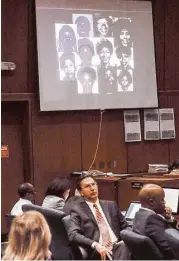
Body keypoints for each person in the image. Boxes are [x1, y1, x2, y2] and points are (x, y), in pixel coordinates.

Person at [68, 173, 131, 260]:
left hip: (117, 246)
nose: (92, 188)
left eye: (93, 184)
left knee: (126, 246)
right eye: (87, 186)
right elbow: (73, 234)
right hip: (98, 251)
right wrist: (95, 244)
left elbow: (126, 226)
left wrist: (126, 239)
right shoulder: (77, 210)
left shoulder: (110, 205)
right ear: (81, 192)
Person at [133, 184, 178, 260]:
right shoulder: (152, 219)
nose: (164, 202)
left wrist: (168, 219)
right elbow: (168, 247)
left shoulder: (139, 214)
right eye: (162, 199)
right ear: (151, 202)